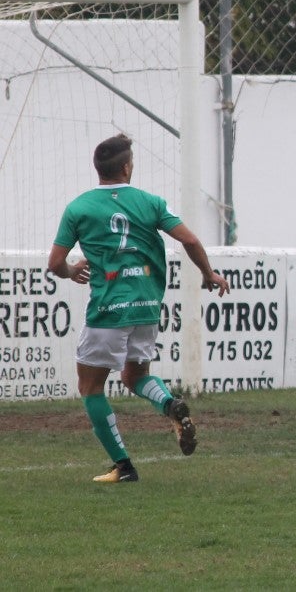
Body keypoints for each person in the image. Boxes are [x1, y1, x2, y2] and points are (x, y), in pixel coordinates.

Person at [48, 133, 230, 484]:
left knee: (90, 388)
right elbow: (190, 240)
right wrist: (208, 274)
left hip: (108, 310)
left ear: (98, 168)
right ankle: (169, 404)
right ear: (127, 167)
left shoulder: (80, 208)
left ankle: (123, 466)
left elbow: (55, 262)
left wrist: (72, 271)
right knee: (135, 376)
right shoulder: (150, 202)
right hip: (147, 307)